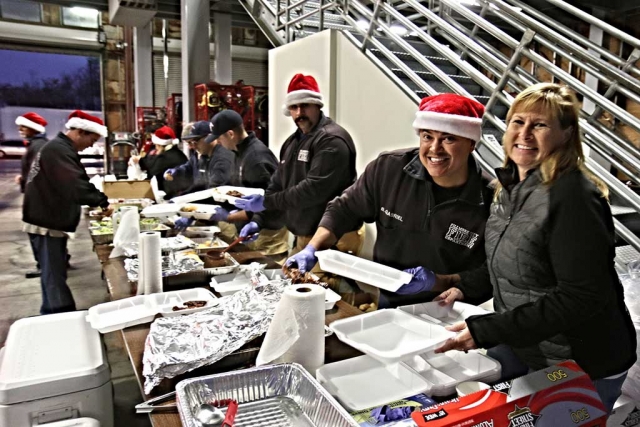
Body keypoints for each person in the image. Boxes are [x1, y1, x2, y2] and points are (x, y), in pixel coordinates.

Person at [433, 83, 637, 413]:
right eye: (518, 122)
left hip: (584, 361)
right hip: (533, 344)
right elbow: (511, 259)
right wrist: (463, 288)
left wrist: (488, 329)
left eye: (539, 125)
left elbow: (581, 297)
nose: (524, 134)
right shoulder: (511, 187)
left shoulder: (573, 199)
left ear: (567, 134)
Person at [286, 93, 492, 307]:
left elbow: (493, 271)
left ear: (471, 143)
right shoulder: (388, 170)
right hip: (391, 301)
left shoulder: (490, 199)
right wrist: (312, 247)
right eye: (427, 136)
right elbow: (344, 209)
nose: (434, 149)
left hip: (450, 309)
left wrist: (439, 281)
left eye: (449, 138)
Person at [235, 73, 364, 285]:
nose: (299, 112)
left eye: (305, 105)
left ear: (317, 106)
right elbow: (277, 184)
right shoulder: (292, 143)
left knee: (330, 300)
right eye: (294, 107)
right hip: (304, 235)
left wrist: (266, 202)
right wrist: (259, 220)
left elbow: (313, 190)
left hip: (335, 235)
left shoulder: (332, 140)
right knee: (296, 289)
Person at [22, 110, 112, 315]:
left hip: (47, 219)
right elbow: (74, 185)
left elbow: (75, 180)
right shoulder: (58, 150)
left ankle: (54, 310)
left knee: (53, 272)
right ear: (80, 131)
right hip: (46, 221)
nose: (92, 145)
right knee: (53, 275)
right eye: (92, 139)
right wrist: (101, 201)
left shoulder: (60, 148)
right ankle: (59, 315)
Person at [204, 110, 290, 261]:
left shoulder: (256, 158)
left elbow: (270, 202)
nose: (218, 142)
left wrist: (230, 217)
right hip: (252, 229)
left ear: (231, 134)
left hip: (267, 235)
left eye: (219, 137)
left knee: (268, 277)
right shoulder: (239, 152)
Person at [167, 120, 235, 231]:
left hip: (225, 217)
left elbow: (213, 190)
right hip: (207, 213)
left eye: (195, 142)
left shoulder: (222, 158)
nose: (192, 146)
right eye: (189, 143)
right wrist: (180, 200)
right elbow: (198, 182)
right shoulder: (203, 154)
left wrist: (190, 211)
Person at [14, 112, 49, 279]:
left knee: (38, 233)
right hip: (37, 195)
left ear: (33, 128)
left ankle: (44, 265)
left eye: (23, 126)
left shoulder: (38, 146)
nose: (20, 129)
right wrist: (23, 177)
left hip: (37, 197)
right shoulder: (37, 144)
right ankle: (56, 261)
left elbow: (39, 172)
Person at [130, 126, 188, 198]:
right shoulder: (177, 153)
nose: (155, 148)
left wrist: (140, 161)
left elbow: (153, 170)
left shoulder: (166, 156)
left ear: (160, 145)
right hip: (180, 192)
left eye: (156, 146)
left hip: (175, 195)